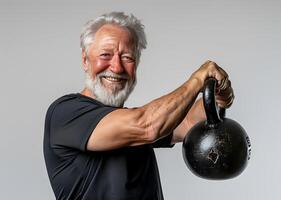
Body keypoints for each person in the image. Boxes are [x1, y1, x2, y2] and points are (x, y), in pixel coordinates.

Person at [43, 11, 234, 200]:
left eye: (128, 58)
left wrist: (217, 99)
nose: (117, 67)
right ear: (85, 60)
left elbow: (188, 122)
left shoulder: (132, 125)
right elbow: (147, 126)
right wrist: (196, 81)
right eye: (105, 55)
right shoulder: (65, 113)